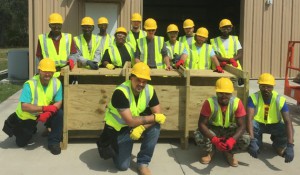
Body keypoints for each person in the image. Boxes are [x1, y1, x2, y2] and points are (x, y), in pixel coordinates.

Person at [97, 62, 166, 175]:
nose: (141, 84)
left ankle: (143, 163)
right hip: (118, 131)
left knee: (155, 127)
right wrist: (153, 117)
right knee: (122, 166)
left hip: (134, 126)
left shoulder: (150, 90)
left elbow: (158, 115)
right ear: (131, 77)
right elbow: (131, 121)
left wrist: (142, 128)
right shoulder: (121, 92)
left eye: (144, 81)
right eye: (138, 80)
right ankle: (112, 146)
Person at [2, 58, 63, 155]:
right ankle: (16, 122)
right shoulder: (30, 84)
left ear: (53, 72)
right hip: (27, 116)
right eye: (44, 71)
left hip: (44, 114)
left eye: (50, 71)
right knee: (21, 143)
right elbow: (24, 107)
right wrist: (44, 108)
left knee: (59, 114)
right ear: (39, 71)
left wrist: (49, 112)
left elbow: (59, 101)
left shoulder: (57, 83)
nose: (47, 74)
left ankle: (54, 142)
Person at [194, 77, 250, 167]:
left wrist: (232, 140)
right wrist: (214, 140)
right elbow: (201, 124)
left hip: (229, 130)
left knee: (246, 138)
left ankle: (228, 152)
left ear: (231, 93)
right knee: (198, 135)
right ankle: (211, 151)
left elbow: (242, 126)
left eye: (227, 93)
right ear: (216, 92)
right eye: (220, 93)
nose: (224, 96)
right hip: (213, 130)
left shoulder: (237, 103)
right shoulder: (209, 103)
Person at [247, 73, 294, 163]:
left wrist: (290, 145)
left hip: (274, 125)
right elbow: (249, 119)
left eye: (269, 87)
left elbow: (288, 121)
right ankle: (256, 142)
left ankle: (279, 145)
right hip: (258, 125)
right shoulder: (253, 98)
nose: (266, 89)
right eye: (263, 86)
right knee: (251, 124)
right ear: (259, 86)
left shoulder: (279, 99)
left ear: (273, 87)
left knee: (287, 128)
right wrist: (252, 140)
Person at [36, 13, 78, 77]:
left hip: (65, 72)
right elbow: (39, 57)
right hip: (49, 73)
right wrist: (39, 72)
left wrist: (72, 60)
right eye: (53, 24)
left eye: (58, 24)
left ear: (61, 25)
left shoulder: (68, 37)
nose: (56, 27)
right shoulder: (42, 38)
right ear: (49, 25)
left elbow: (74, 54)